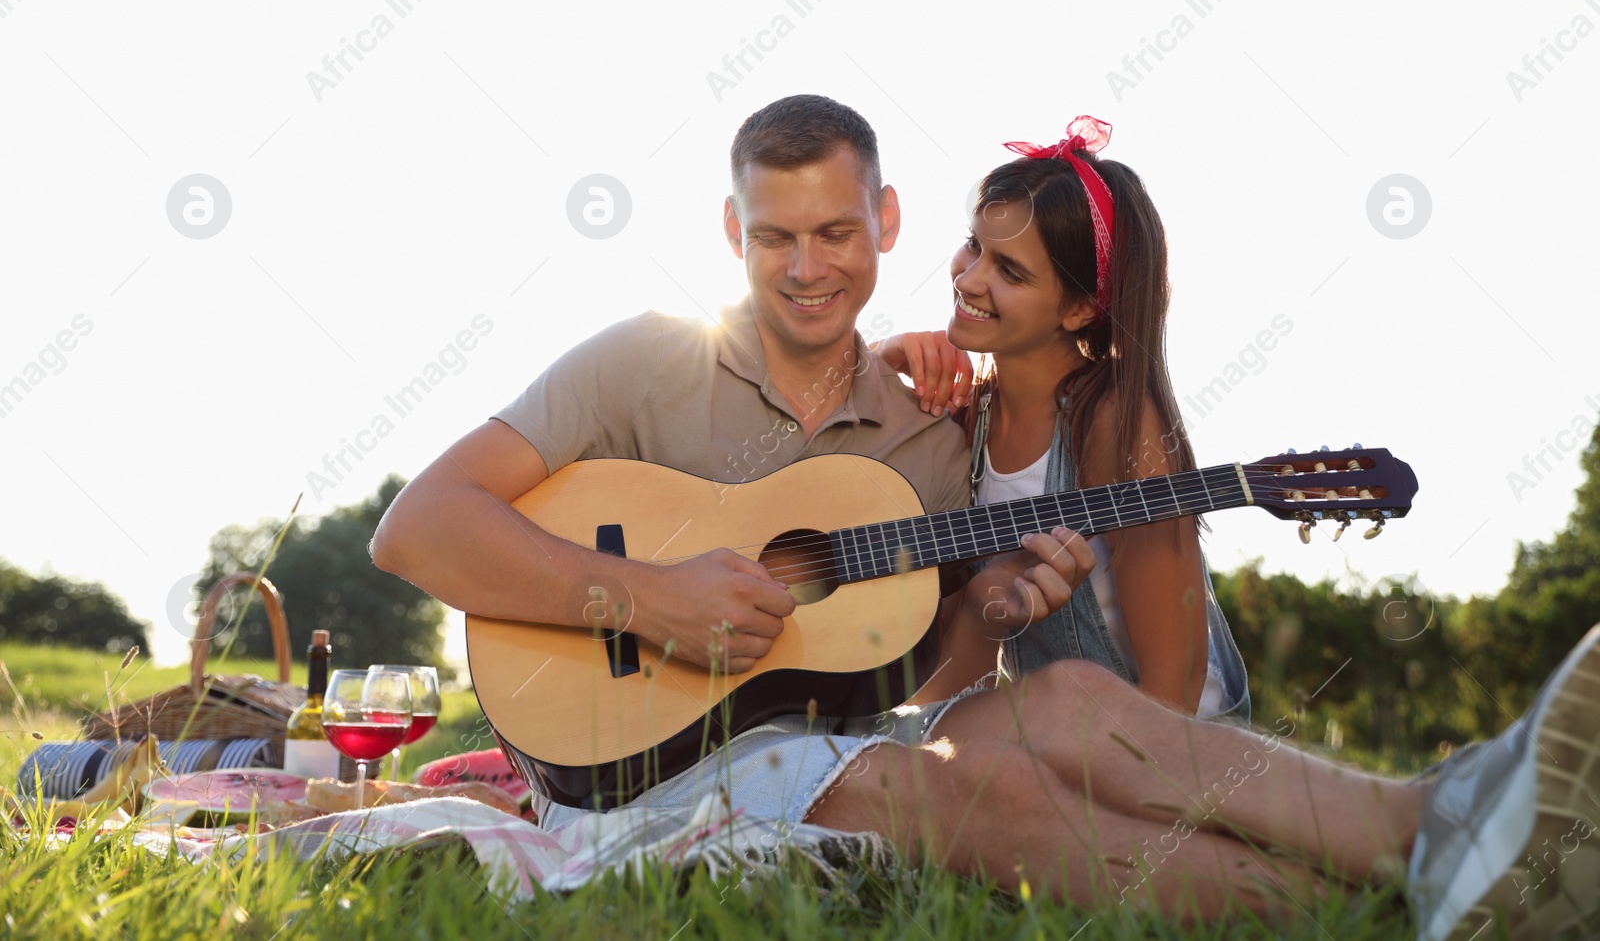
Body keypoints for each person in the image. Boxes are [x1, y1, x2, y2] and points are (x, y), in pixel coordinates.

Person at [370, 95, 1600, 938]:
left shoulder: (925, 425)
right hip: (638, 763)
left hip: (817, 741)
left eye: (838, 232)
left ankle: (1432, 824)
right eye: (776, 237)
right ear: (732, 233)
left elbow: (918, 665)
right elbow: (419, 529)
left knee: (1058, 702)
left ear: (887, 224)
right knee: (947, 793)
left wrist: (1002, 606)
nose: (809, 267)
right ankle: (1397, 899)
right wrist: (652, 597)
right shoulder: (640, 361)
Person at [878, 116, 1249, 721]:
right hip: (1058, 735)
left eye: (1010, 271)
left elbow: (1174, 683)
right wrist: (877, 364)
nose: (969, 278)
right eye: (974, 245)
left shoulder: (1116, 423)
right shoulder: (971, 418)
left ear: (1079, 308)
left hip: (1169, 750)